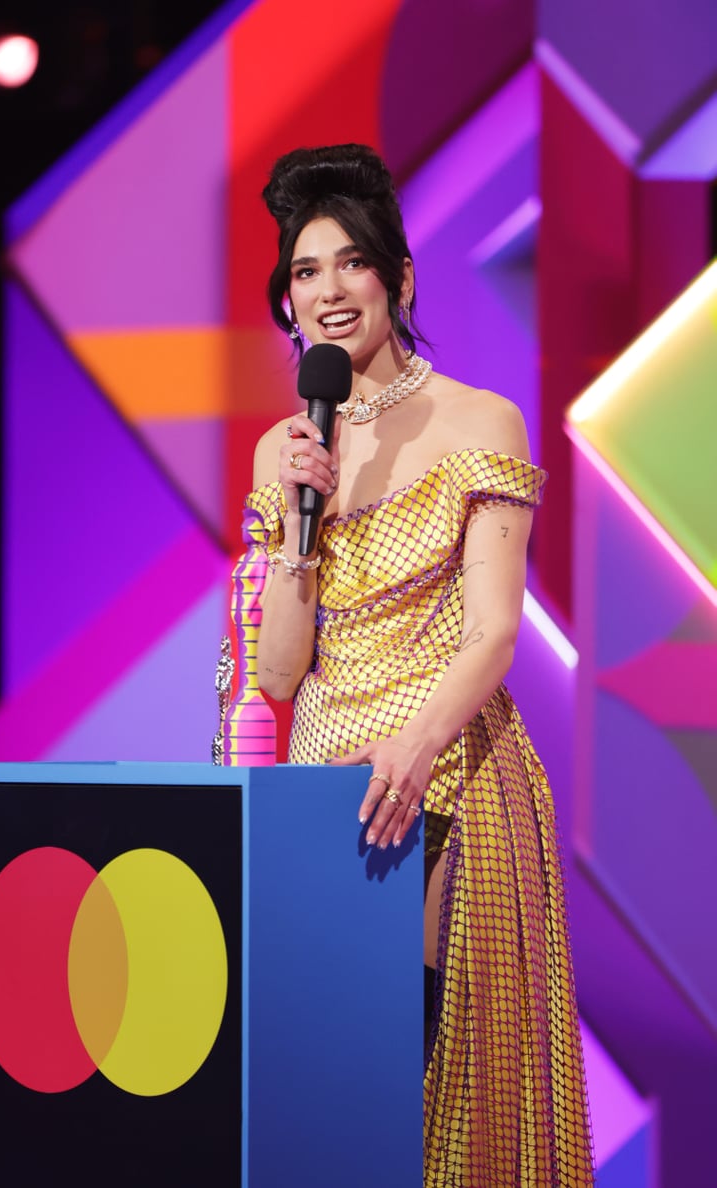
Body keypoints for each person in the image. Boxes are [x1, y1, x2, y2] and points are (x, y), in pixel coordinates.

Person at [245, 143, 593, 1186]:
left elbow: (493, 631)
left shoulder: (480, 422)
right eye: (306, 272)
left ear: (397, 279)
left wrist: (414, 747)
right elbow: (276, 670)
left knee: (420, 1078)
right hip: (322, 784)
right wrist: (301, 525)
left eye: (351, 263)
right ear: (289, 303)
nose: (329, 289)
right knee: (320, 1088)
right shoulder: (284, 450)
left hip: (445, 773)